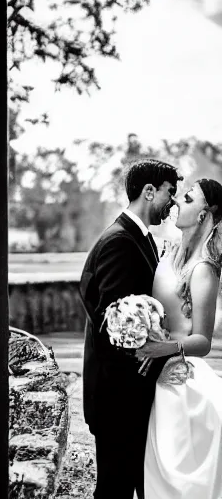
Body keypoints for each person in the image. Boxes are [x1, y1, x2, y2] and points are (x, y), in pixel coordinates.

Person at [79, 159, 183, 499]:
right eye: (170, 192)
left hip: (130, 394)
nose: (174, 201)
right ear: (149, 191)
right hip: (118, 396)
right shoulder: (119, 242)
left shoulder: (141, 239)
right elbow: (114, 324)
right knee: (115, 489)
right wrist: (147, 366)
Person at [136, 178, 222, 499]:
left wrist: (161, 348)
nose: (176, 204)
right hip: (153, 373)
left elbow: (202, 340)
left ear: (203, 214)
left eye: (186, 199)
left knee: (177, 479)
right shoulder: (168, 252)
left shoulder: (204, 269)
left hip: (180, 377)